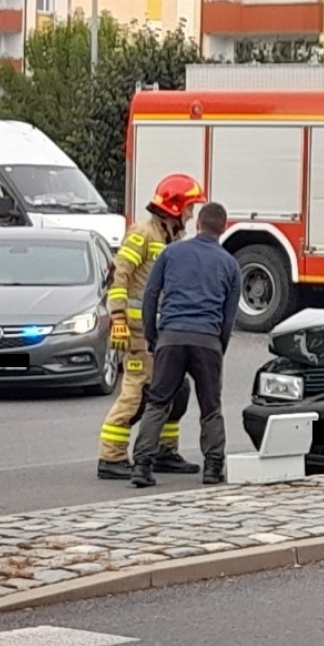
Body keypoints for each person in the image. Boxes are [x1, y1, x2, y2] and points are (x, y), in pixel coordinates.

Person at [95, 174, 205, 480]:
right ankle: (111, 457)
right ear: (174, 207)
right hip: (137, 332)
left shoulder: (169, 238)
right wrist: (118, 320)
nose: (191, 215)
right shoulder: (143, 234)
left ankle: (163, 451)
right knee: (137, 392)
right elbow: (119, 277)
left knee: (175, 389)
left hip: (162, 331)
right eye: (189, 208)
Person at [130, 202, 241, 488]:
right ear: (223, 228)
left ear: (197, 224)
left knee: (158, 402)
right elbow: (229, 316)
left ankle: (142, 466)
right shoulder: (230, 264)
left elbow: (151, 295)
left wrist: (153, 336)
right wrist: (219, 346)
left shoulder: (171, 253)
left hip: (172, 337)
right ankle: (213, 468)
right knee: (211, 407)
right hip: (208, 341)